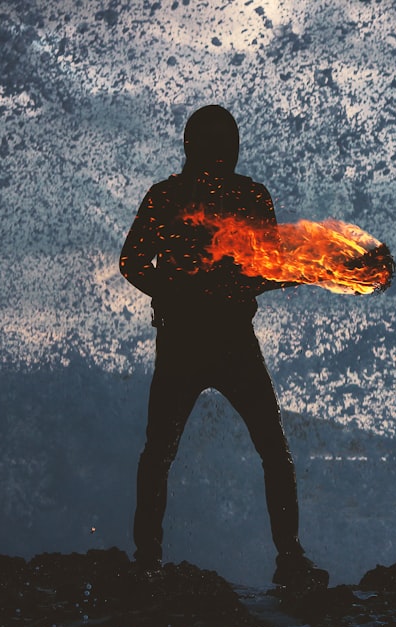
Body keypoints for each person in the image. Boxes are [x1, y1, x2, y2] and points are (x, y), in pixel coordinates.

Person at [119, 105, 328, 588]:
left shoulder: (251, 196)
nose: (221, 152)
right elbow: (132, 261)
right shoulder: (166, 197)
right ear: (192, 146)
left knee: (274, 449)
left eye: (227, 142)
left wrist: (315, 270)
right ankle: (147, 558)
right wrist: (171, 291)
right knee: (159, 452)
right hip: (181, 341)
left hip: (235, 340)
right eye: (212, 142)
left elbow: (266, 269)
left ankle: (290, 557)